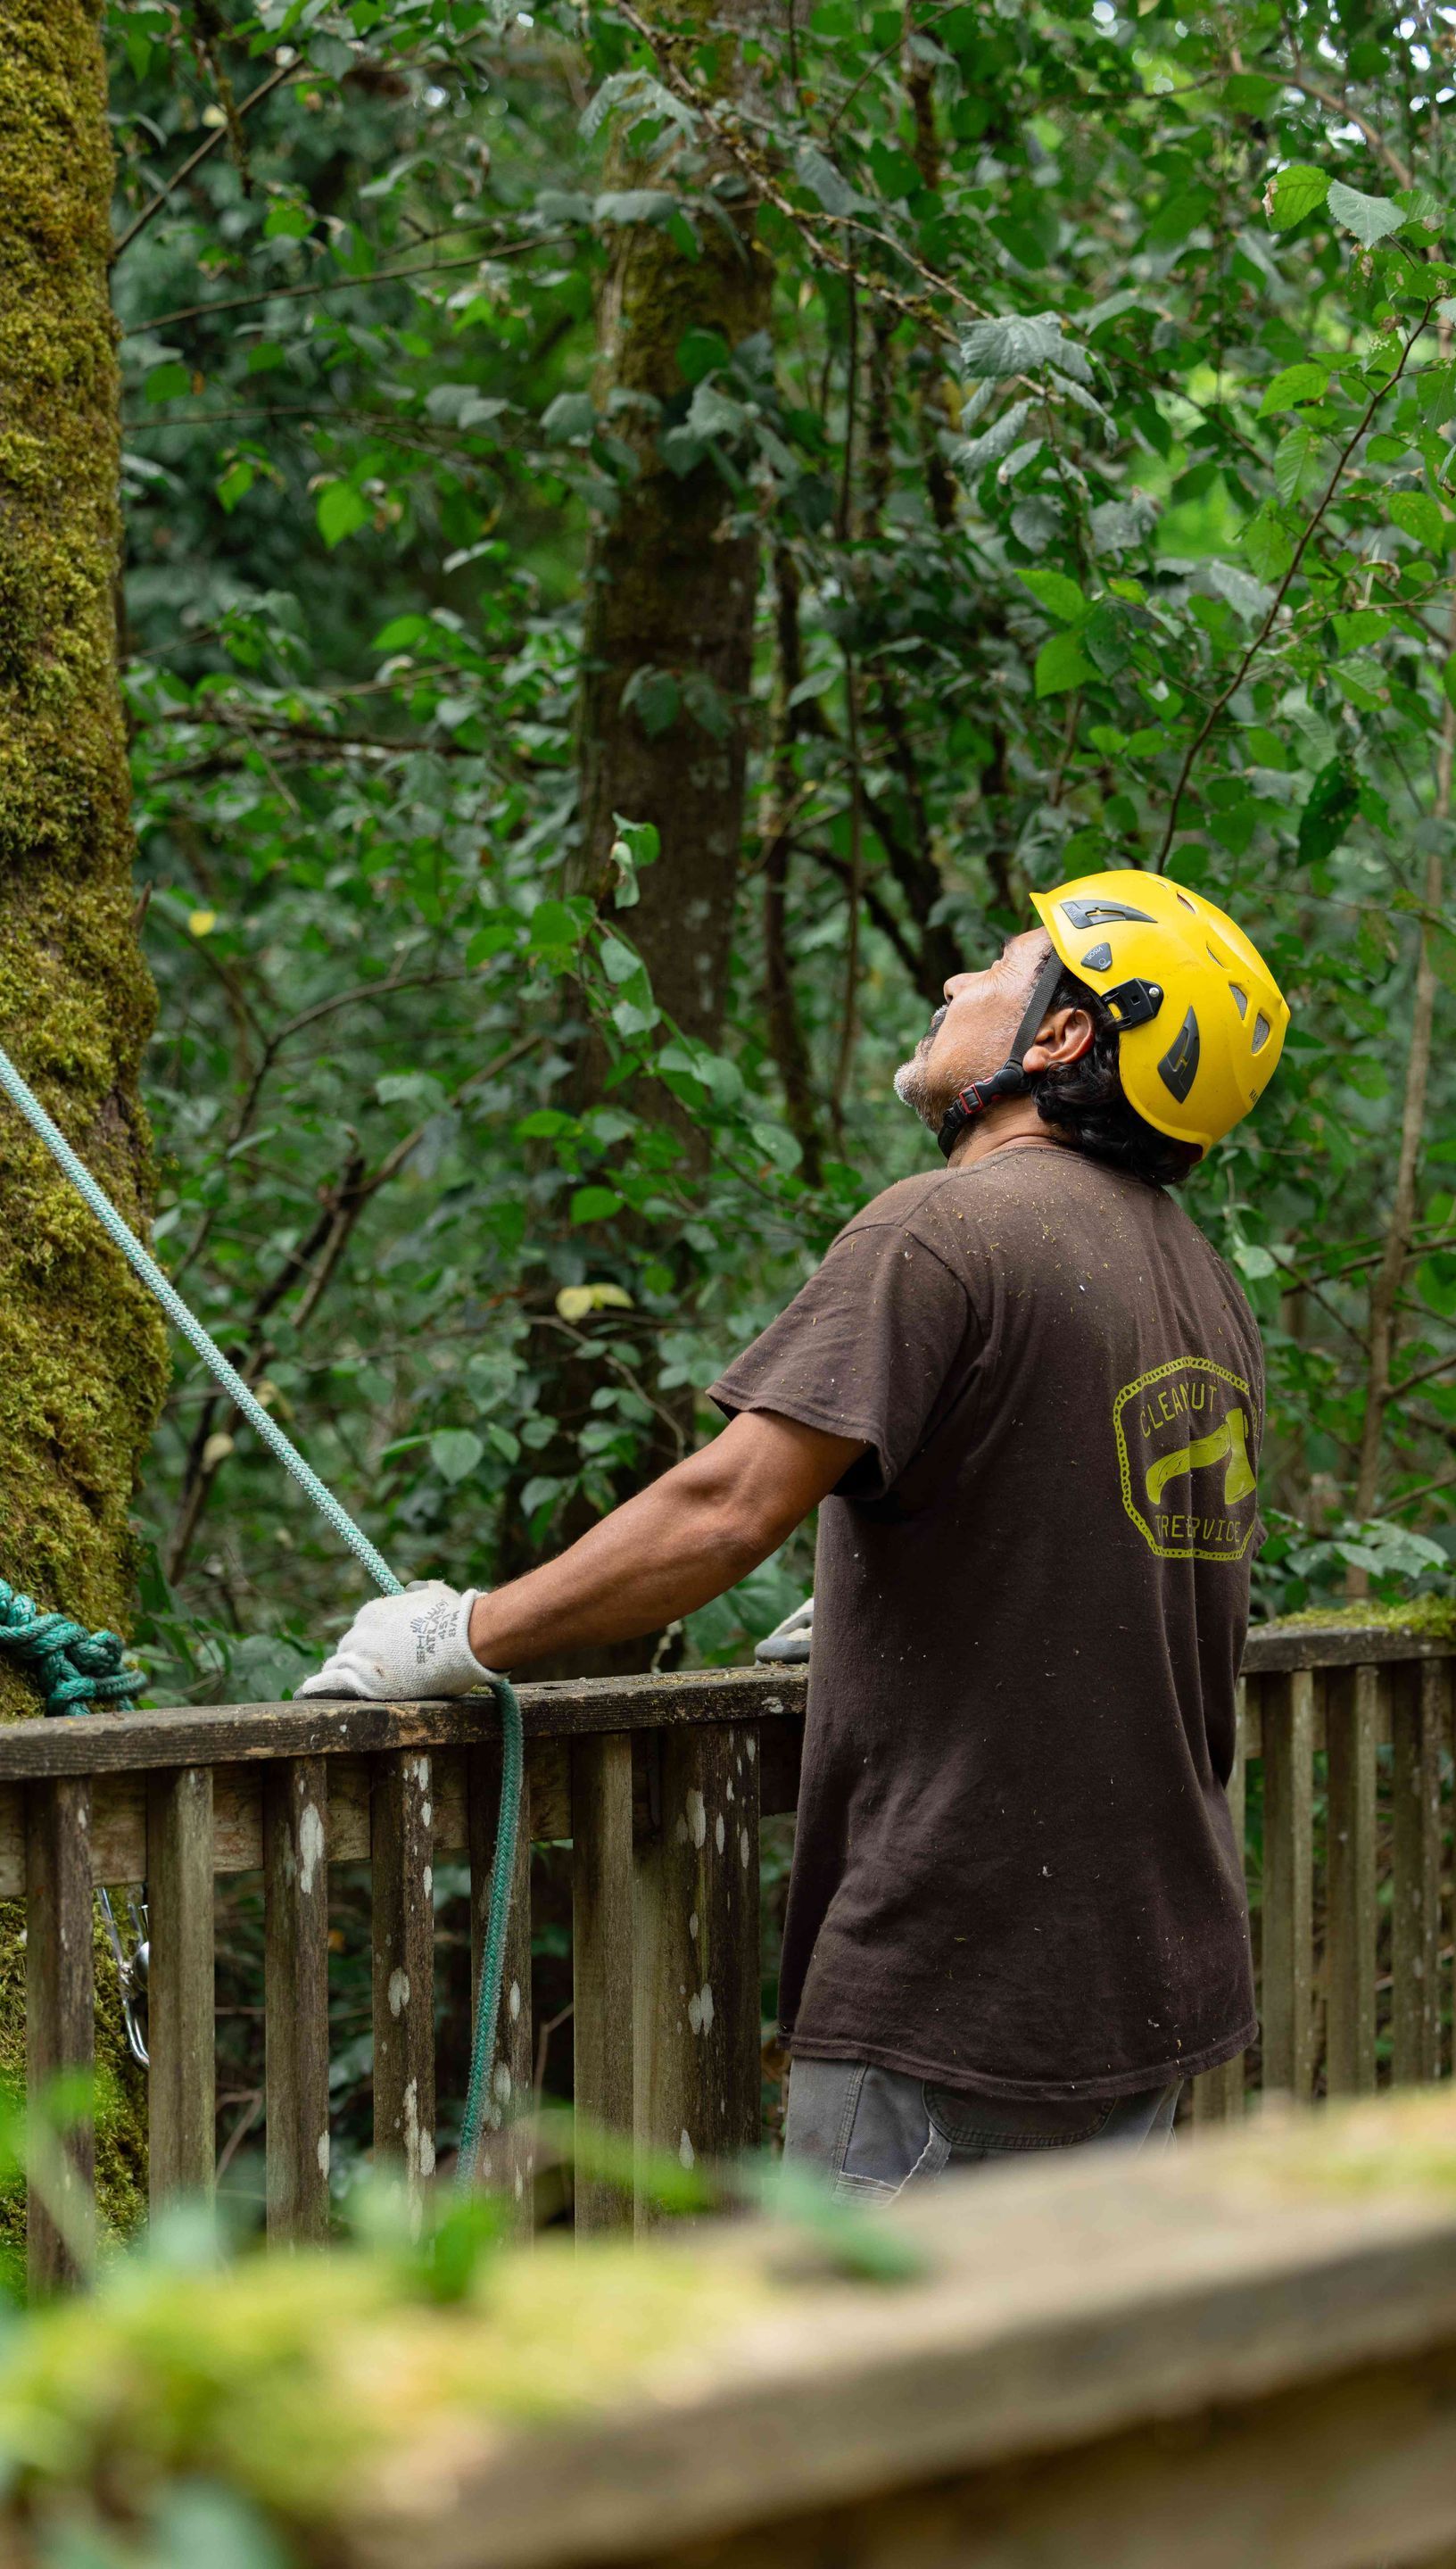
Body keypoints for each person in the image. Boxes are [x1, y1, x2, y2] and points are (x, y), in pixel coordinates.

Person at [302, 867, 1290, 2200]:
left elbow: (726, 1506)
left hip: (958, 1990)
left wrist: (462, 1635)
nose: (953, 985)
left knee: (875, 2399)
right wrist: (910, 1591)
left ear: (1062, 1038)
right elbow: (1106, 1531)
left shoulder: (942, 1232)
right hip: (1152, 1982)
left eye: (997, 967)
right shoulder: (1198, 1279)